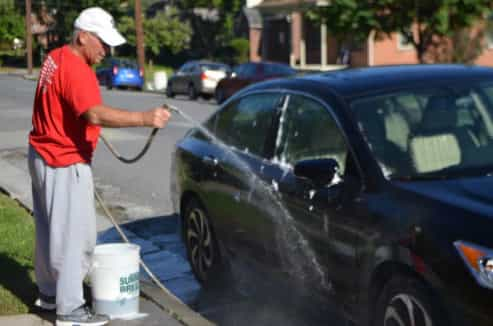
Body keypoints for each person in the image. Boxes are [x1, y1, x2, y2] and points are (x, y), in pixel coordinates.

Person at [27, 7, 171, 326]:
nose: (106, 50)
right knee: (75, 238)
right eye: (102, 43)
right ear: (83, 37)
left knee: (50, 231)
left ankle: (50, 294)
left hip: (42, 152)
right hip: (64, 160)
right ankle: (70, 309)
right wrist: (145, 118)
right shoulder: (77, 69)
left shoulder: (57, 57)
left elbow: (73, 110)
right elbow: (93, 113)